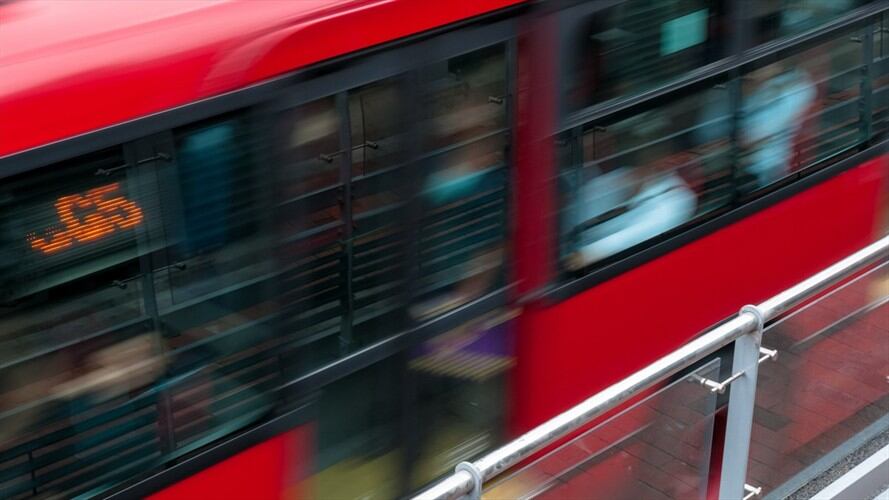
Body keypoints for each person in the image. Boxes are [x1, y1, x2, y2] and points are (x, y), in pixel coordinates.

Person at [566, 114, 697, 270]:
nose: (649, 159)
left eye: (655, 151)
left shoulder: (678, 199)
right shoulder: (614, 180)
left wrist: (584, 256)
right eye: (643, 150)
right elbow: (573, 215)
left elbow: (631, 238)